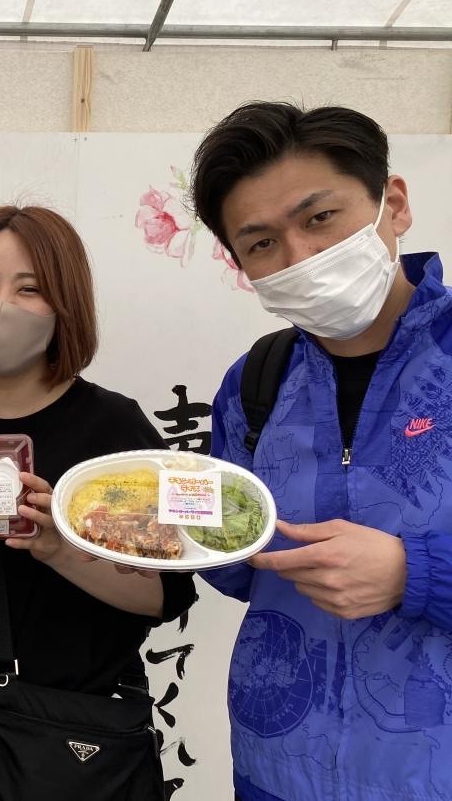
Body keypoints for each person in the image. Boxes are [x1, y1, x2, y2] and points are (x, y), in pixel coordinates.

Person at [0, 204, 197, 800]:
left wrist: (59, 548)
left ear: (65, 306)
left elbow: (165, 593)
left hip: (75, 738)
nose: (0, 305)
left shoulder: (113, 429)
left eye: (29, 289)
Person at [191, 101, 452, 801]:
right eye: (262, 244)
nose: (299, 257)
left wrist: (413, 574)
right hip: (276, 771)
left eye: (320, 218)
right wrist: (165, 533)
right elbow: (240, 571)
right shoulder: (255, 382)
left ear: (394, 204)